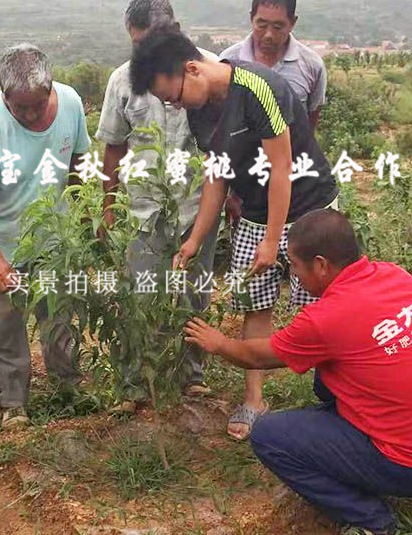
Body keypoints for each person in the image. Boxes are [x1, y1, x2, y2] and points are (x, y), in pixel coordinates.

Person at [183, 209, 412, 535]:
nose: (293, 276)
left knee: (270, 436)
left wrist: (219, 343)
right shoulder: (394, 276)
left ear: (321, 265)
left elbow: (255, 356)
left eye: (295, 266)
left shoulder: (327, 319)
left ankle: (371, 520)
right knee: (327, 377)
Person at [130, 25, 339, 440]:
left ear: (191, 69)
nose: (173, 106)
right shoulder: (198, 106)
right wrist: (194, 239)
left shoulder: (259, 88)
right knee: (256, 303)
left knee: (322, 304)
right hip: (257, 212)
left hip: (309, 207)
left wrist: (272, 241)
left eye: (172, 96)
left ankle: (336, 394)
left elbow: (281, 169)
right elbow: (217, 176)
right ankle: (254, 399)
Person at [0, 44, 91, 427]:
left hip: (53, 242)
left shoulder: (70, 103)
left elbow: (79, 168)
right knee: (4, 325)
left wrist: (82, 226)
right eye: (21, 108)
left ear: (51, 89)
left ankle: (68, 384)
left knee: (60, 317)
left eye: (38, 104)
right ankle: (14, 402)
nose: (32, 115)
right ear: (5, 98)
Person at [97, 0, 217, 411]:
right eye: (136, 44)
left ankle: (191, 377)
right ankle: (134, 385)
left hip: (197, 207)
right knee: (141, 294)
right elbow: (113, 147)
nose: (144, 54)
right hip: (144, 211)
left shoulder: (207, 70)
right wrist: (108, 206)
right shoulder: (121, 81)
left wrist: (230, 197)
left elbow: (226, 146)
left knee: (194, 293)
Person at [220, 0, 328, 230]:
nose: (268, 35)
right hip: (246, 188)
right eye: (261, 24)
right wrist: (230, 193)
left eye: (278, 26)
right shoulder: (229, 61)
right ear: (251, 19)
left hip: (294, 185)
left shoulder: (311, 66)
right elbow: (222, 134)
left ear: (293, 23)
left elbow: (309, 127)